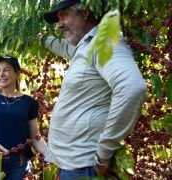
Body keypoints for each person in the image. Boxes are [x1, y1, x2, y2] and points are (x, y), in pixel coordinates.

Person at [37, 0, 147, 179]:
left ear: (85, 13)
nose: (59, 24)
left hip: (86, 166)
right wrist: (40, 38)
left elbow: (132, 87)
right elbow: (65, 48)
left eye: (64, 15)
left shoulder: (102, 43)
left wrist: (104, 153)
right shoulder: (86, 46)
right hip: (74, 164)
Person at [0, 55, 47, 179]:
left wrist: (51, 155)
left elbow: (35, 136)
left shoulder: (29, 103)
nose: (1, 74)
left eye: (6, 70)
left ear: (17, 74)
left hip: (18, 164)